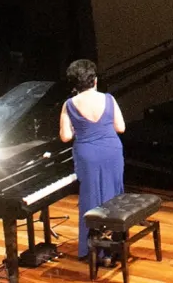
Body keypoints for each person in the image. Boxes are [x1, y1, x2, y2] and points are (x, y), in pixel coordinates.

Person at [60, 59, 126, 260]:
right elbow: (121, 128)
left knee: (90, 199)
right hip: (111, 151)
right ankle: (113, 248)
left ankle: (91, 250)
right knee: (113, 196)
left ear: (74, 84)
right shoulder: (109, 98)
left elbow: (65, 137)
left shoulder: (69, 104)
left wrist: (76, 127)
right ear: (94, 80)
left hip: (87, 154)